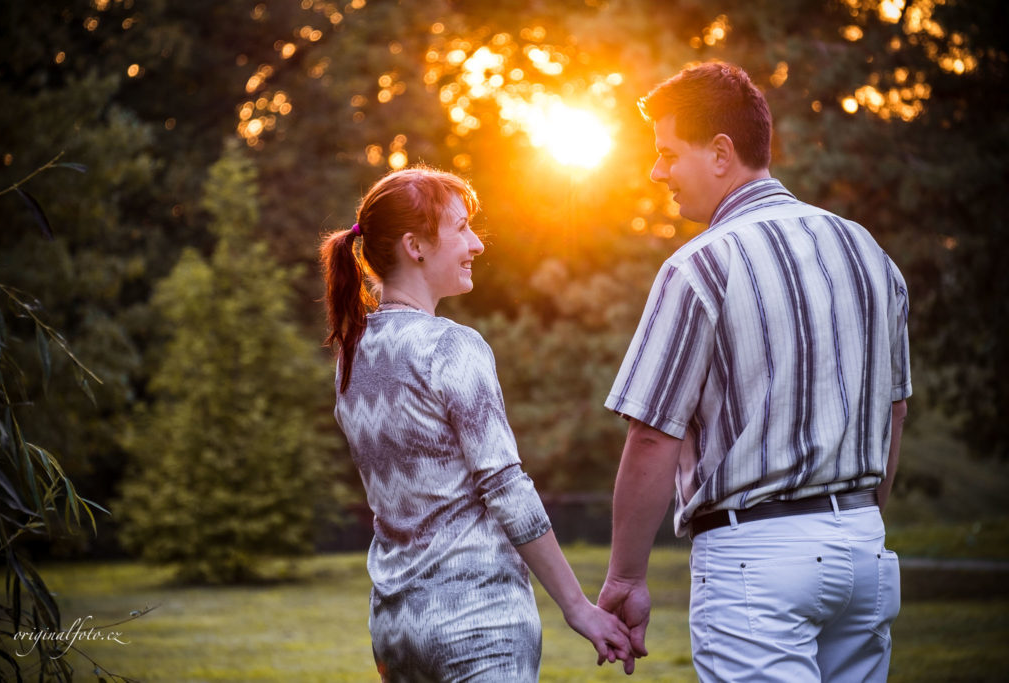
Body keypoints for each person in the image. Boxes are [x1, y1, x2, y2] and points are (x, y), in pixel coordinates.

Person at [597, 62, 911, 681]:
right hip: (865, 547)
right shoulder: (867, 251)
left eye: (667, 154)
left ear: (720, 152)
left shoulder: (700, 266)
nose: (657, 172)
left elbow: (653, 436)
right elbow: (894, 409)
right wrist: (857, 519)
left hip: (756, 561)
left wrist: (626, 577)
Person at [320, 166, 631, 682]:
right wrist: (577, 606)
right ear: (415, 245)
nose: (477, 245)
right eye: (461, 228)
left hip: (396, 631)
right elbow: (506, 488)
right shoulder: (451, 346)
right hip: (476, 623)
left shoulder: (354, 354)